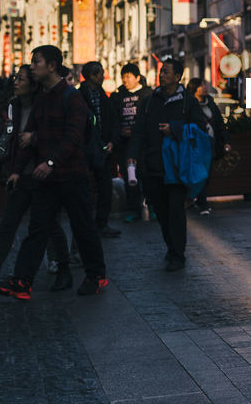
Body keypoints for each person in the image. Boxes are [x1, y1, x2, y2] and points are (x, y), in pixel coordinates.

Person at [0, 45, 109, 299]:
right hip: (46, 179)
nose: (32, 66)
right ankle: (22, 282)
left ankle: (96, 275)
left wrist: (50, 163)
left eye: (36, 62)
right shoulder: (42, 98)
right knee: (38, 228)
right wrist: (16, 171)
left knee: (83, 227)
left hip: (72, 175)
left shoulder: (72, 97)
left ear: (52, 66)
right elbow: (28, 136)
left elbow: (73, 138)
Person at [0, 65, 71, 292]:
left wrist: (34, 139)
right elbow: (11, 132)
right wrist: (2, 147)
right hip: (19, 173)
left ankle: (62, 267)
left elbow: (58, 136)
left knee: (49, 225)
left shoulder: (46, 104)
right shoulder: (14, 105)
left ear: (33, 84)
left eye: (20, 79)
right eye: (15, 78)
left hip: (43, 173)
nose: (15, 82)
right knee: (8, 223)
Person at [127, 60, 210, 270]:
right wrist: (133, 156)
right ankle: (171, 248)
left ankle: (177, 254)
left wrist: (175, 128)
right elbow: (139, 131)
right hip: (153, 166)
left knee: (175, 212)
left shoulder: (187, 102)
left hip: (177, 167)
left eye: (166, 72)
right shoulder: (149, 101)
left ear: (177, 76)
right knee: (162, 213)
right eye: (161, 71)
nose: (161, 75)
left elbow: (201, 127)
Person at [79, 61, 120, 238]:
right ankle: (87, 224)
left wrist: (111, 140)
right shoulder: (80, 96)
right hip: (87, 149)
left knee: (105, 187)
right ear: (93, 76)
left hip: (104, 148)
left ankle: (101, 223)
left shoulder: (103, 95)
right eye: (101, 73)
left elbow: (112, 120)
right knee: (86, 188)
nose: (103, 76)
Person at [110, 63, 150, 222]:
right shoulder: (118, 96)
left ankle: (152, 205)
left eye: (129, 76)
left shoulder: (148, 94)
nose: (125, 80)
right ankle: (134, 209)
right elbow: (113, 119)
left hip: (144, 144)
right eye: (123, 76)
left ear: (137, 77)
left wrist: (136, 132)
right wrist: (119, 132)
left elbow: (151, 119)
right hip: (124, 144)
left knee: (146, 175)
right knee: (129, 177)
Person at [189, 79, 230, 216]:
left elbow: (219, 122)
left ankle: (201, 201)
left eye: (204, 85)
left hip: (210, 143)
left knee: (206, 173)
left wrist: (225, 140)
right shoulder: (189, 104)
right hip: (195, 144)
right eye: (201, 85)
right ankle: (199, 201)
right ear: (194, 89)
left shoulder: (210, 103)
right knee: (198, 173)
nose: (205, 87)